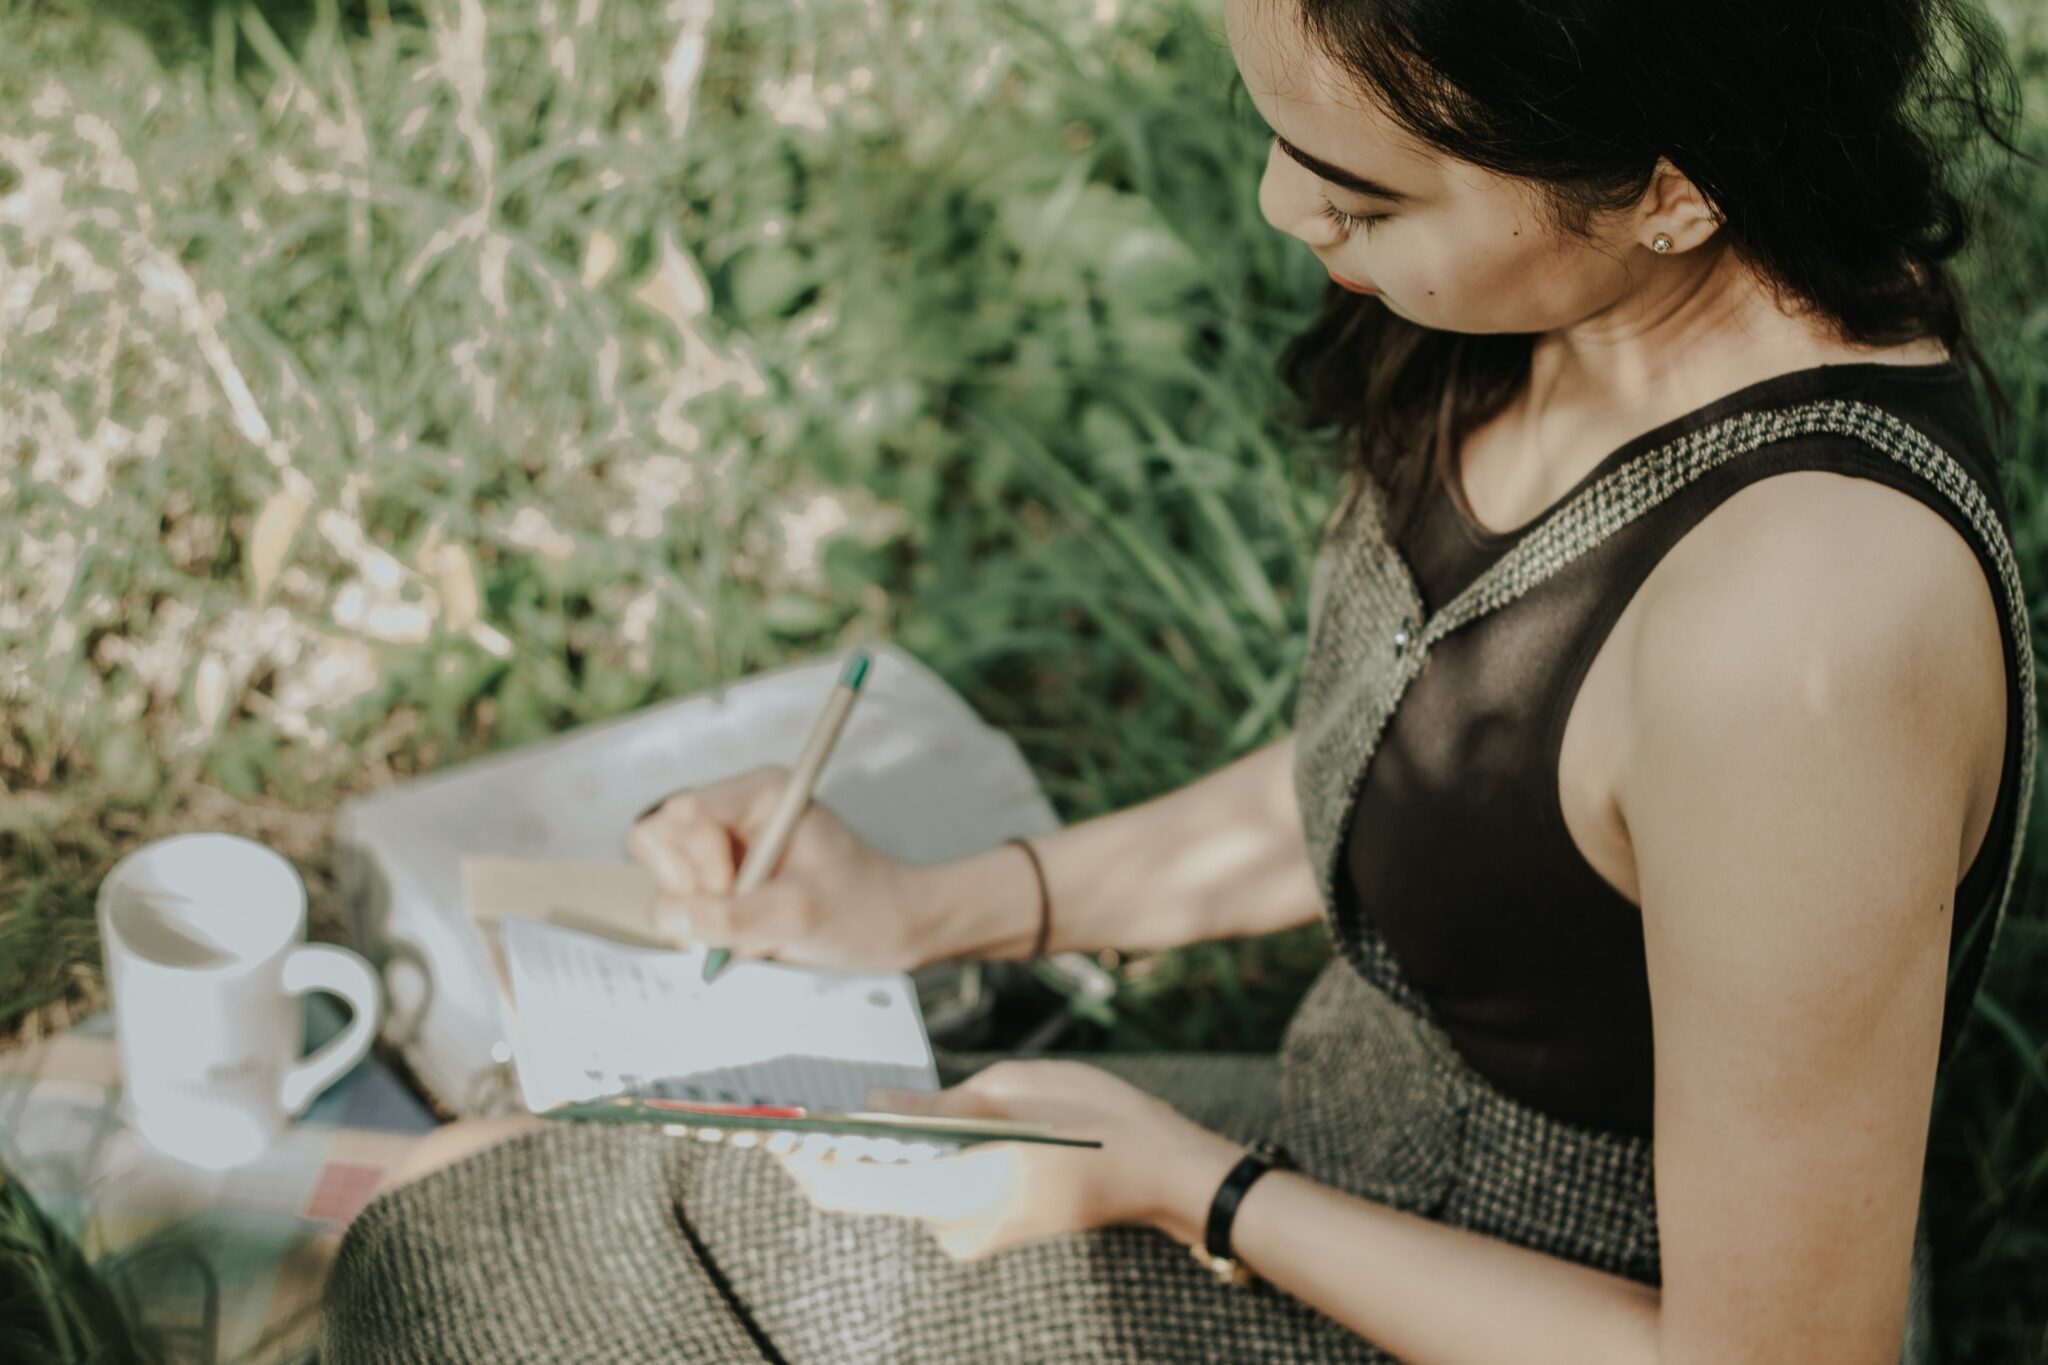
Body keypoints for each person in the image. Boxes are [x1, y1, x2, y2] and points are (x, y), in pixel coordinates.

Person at [320, 0, 2037, 1359]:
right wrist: (931, 910)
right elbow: (1428, 771)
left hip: (1511, 1295)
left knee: (461, 1269)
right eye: (1280, 138)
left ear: (1669, 182)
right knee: (467, 1182)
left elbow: (1777, 1356)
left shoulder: (1807, 645)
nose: (1285, 209)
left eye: (1365, 192)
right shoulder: (1603, 310)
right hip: (1330, 1147)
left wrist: (1192, 1190)